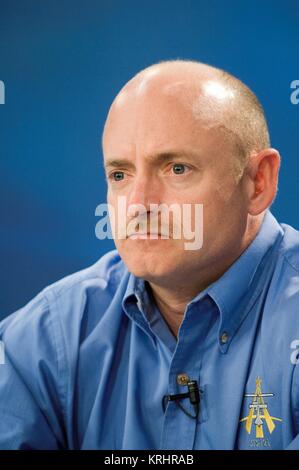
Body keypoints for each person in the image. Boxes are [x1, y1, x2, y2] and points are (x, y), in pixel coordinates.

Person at [0, 59, 299, 450]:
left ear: (259, 182)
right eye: (120, 175)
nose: (139, 205)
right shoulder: (48, 338)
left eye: (177, 168)